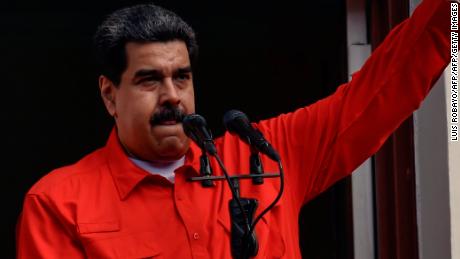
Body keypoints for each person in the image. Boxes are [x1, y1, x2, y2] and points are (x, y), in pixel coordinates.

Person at [16, 0, 452, 258]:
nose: (172, 96)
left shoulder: (265, 153)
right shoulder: (59, 203)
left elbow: (385, 88)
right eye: (150, 80)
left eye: (182, 77)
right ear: (110, 95)